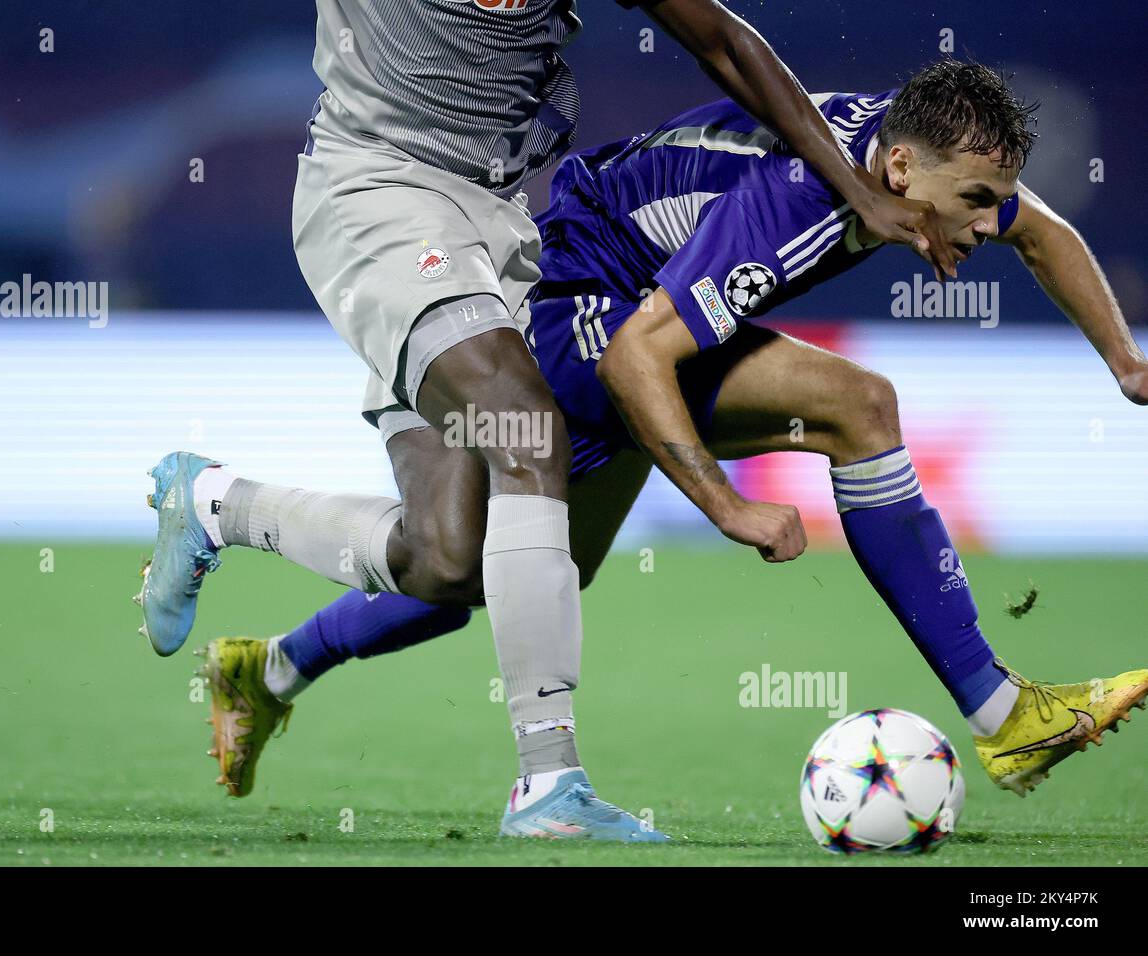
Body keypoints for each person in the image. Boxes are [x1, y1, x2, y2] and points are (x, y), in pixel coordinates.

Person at [192, 61, 1148, 824]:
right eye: (975, 199)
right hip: (570, 313)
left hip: (629, 302)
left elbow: (1044, 233)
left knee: (497, 575)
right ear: (899, 173)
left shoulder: (905, 155)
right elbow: (639, 358)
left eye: (993, 199)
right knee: (860, 406)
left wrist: (1127, 365)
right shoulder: (798, 208)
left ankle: (269, 665)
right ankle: (1000, 712)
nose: (985, 222)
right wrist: (726, 505)